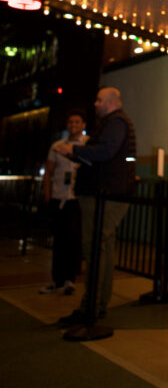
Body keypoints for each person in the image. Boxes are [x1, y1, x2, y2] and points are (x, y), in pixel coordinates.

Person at [54, 87, 136, 327]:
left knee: (94, 247)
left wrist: (75, 150)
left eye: (99, 99)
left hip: (105, 194)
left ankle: (91, 306)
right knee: (103, 247)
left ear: (110, 102)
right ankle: (97, 304)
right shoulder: (117, 121)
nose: (96, 103)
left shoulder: (116, 121)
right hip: (109, 192)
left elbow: (106, 151)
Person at [40, 110, 88, 295]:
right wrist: (47, 195)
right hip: (59, 197)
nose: (73, 125)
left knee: (74, 238)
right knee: (59, 239)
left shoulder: (88, 144)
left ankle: (70, 279)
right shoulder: (57, 146)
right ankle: (57, 279)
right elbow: (49, 173)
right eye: (70, 122)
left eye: (77, 122)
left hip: (76, 198)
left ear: (83, 125)